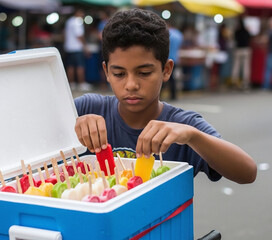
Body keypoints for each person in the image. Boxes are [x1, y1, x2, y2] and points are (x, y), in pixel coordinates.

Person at [73, 9, 256, 184]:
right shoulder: (87, 108)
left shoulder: (183, 125)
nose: (131, 85)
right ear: (106, 71)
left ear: (166, 70)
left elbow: (247, 172)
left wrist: (193, 136)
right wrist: (73, 123)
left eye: (144, 73)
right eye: (119, 74)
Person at [64, 8, 92, 91]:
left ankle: (71, 83)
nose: (83, 15)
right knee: (80, 66)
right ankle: (81, 83)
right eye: (82, 12)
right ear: (77, 12)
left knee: (70, 66)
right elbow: (79, 35)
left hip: (69, 47)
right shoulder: (77, 22)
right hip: (77, 47)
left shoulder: (69, 21)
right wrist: (85, 47)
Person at [231, 17, 252, 90]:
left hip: (238, 49)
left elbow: (234, 39)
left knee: (236, 67)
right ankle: (245, 82)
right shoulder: (246, 31)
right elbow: (250, 39)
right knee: (246, 67)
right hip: (246, 49)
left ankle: (234, 82)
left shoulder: (237, 31)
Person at [166, 21, 183, 100]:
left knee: (163, 76)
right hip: (175, 58)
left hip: (166, 57)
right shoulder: (179, 34)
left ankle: (160, 95)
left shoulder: (168, 33)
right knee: (172, 77)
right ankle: (173, 94)